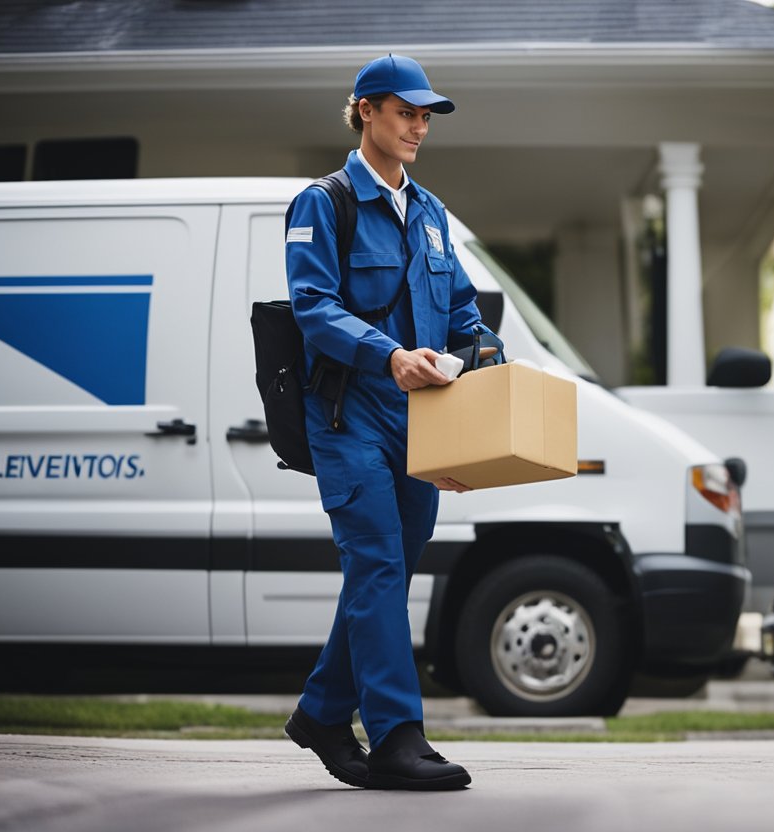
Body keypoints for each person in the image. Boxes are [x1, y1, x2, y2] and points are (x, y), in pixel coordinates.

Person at [282, 54, 490, 791]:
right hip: (348, 415)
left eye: (426, 115)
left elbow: (465, 314)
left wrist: (482, 389)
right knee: (375, 564)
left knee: (388, 573)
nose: (419, 126)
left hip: (422, 423)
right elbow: (312, 308)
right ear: (366, 110)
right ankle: (399, 735)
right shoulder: (324, 202)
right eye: (406, 112)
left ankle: (321, 713)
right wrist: (390, 355)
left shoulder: (431, 212)